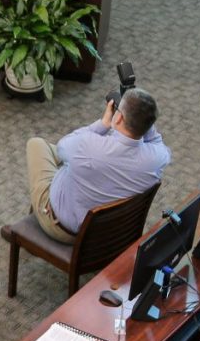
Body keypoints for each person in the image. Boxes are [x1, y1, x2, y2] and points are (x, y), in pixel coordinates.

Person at [26, 87, 170, 244]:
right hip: (110, 233)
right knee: (73, 160)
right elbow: (156, 140)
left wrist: (103, 124)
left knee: (36, 144)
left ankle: (35, 220)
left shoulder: (87, 146)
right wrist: (142, 118)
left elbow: (62, 147)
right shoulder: (157, 158)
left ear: (119, 118)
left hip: (63, 228)